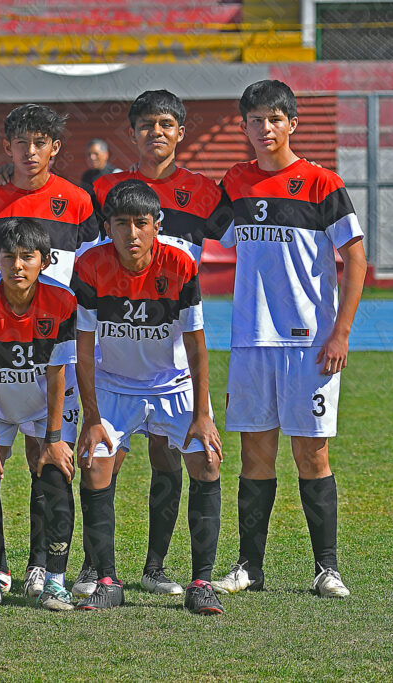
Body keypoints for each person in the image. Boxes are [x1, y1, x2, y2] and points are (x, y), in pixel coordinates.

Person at [212, 80, 366, 598]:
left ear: (292, 124)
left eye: (275, 118)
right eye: (256, 120)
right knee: (255, 456)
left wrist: (341, 332)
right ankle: (249, 569)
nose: (265, 128)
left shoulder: (322, 183)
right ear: (244, 127)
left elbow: (356, 258)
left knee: (312, 456)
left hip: (311, 346)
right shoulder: (236, 182)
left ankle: (327, 569)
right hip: (252, 342)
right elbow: (193, 221)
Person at [83, 90, 232, 599]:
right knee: (103, 461)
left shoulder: (204, 191)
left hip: (173, 354)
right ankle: (97, 570)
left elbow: (253, 228)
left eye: (166, 124)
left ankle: (157, 568)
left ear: (180, 132)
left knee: (173, 459)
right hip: (117, 352)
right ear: (133, 133)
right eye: (146, 125)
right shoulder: (103, 189)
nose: (156, 133)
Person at [0, 103, 100, 598]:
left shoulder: (77, 201)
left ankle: (42, 565)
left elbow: (92, 267)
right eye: (20, 142)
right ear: (7, 147)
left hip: (52, 350)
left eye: (40, 142)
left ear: (55, 148)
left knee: (47, 460)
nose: (30, 151)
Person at [0, 217, 78, 613]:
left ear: (44, 260)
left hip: (47, 401)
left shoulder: (62, 300)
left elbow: (58, 372)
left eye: (27, 257)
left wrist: (53, 439)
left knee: (55, 475)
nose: (17, 265)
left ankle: (53, 581)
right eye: (8, 257)